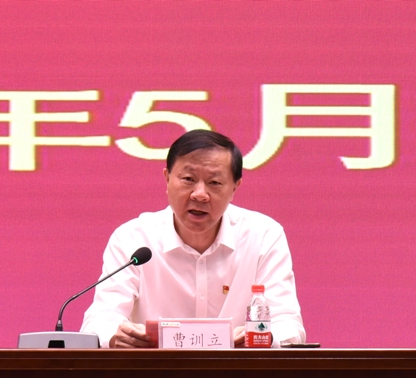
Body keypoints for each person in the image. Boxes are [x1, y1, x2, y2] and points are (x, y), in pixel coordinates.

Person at [81, 129, 305, 348]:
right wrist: (116, 335)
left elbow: (288, 325)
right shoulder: (133, 239)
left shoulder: (263, 236)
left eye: (214, 183)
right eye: (188, 179)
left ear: (235, 187)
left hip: (238, 370)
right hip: (154, 371)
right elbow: (101, 320)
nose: (200, 194)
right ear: (167, 178)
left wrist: (262, 337)